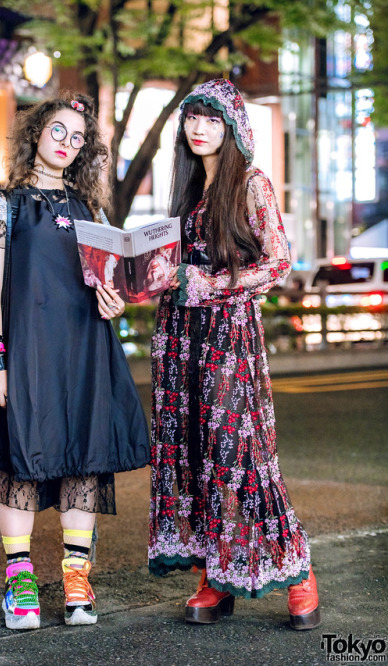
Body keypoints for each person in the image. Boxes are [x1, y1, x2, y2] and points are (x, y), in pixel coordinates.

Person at [0, 92, 150, 630]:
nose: (68, 144)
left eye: (78, 138)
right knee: (19, 457)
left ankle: (76, 578)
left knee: (83, 458)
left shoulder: (88, 210)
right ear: (35, 136)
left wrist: (113, 302)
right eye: (58, 132)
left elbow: (102, 284)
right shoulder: (2, 207)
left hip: (86, 350)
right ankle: (20, 581)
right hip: (25, 353)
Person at [148, 79, 320, 630]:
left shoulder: (251, 184)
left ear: (234, 128)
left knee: (239, 455)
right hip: (180, 341)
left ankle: (298, 573)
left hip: (227, 338)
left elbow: (279, 262)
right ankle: (215, 576)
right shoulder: (186, 190)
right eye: (192, 118)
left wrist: (210, 284)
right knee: (197, 454)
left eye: (211, 120)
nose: (199, 128)